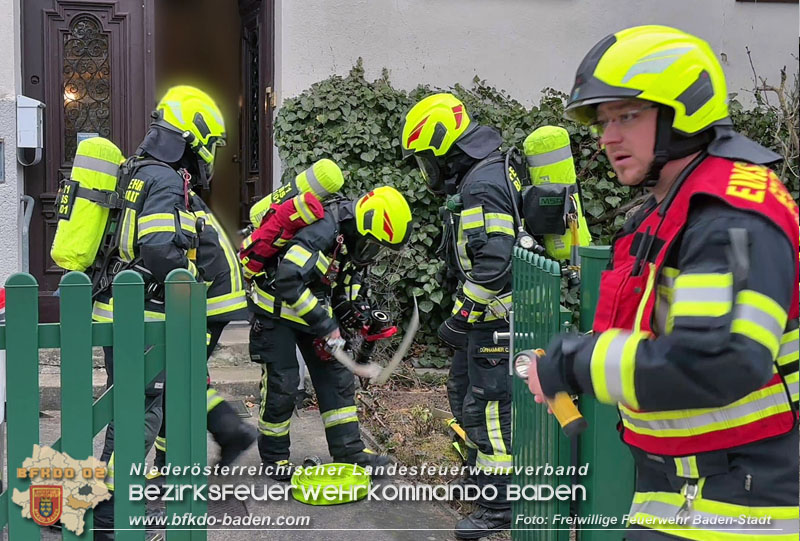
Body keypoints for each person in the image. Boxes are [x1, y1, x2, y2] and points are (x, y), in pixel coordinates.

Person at [527, 25, 799, 541]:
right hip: (678, 492)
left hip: (740, 509)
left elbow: (720, 361)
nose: (607, 137)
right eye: (604, 121)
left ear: (684, 111)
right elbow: (653, 342)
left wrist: (576, 363)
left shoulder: (729, 217)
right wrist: (572, 361)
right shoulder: (669, 211)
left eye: (627, 116)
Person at [92, 85, 256, 539]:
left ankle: (136, 491)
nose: (208, 156)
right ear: (190, 136)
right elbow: (160, 248)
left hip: (123, 311)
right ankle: (108, 516)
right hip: (147, 317)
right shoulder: (166, 179)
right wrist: (185, 287)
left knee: (144, 404)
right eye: (208, 145)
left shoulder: (135, 171)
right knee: (139, 414)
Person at [401, 93, 520, 539]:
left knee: (490, 410)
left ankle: (499, 509)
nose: (426, 169)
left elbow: (495, 264)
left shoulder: (480, 185)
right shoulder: (486, 171)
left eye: (426, 159)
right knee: (464, 397)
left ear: (443, 146)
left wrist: (461, 317)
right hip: (488, 321)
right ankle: (481, 487)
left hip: (495, 322)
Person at [247, 184, 412, 480]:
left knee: (337, 379)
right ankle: (274, 458)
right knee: (283, 383)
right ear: (366, 224)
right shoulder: (322, 230)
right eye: (373, 244)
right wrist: (326, 324)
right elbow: (288, 281)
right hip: (275, 312)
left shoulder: (350, 234)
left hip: (313, 313)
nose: (372, 251)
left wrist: (358, 311)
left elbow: (345, 278)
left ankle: (350, 452)